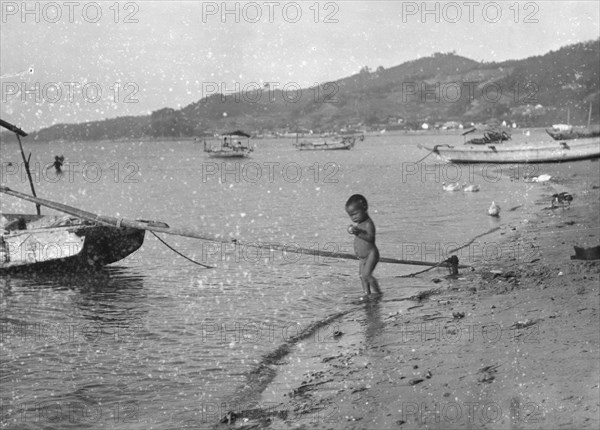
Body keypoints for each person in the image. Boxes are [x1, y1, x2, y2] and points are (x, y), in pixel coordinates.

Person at [345, 194, 381, 295]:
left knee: (367, 275)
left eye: (355, 214)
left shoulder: (368, 223)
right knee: (362, 276)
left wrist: (358, 233)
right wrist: (353, 230)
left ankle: (378, 293)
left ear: (364, 208)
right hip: (363, 257)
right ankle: (367, 293)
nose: (353, 217)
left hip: (371, 254)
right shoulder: (360, 224)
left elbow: (371, 238)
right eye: (350, 215)